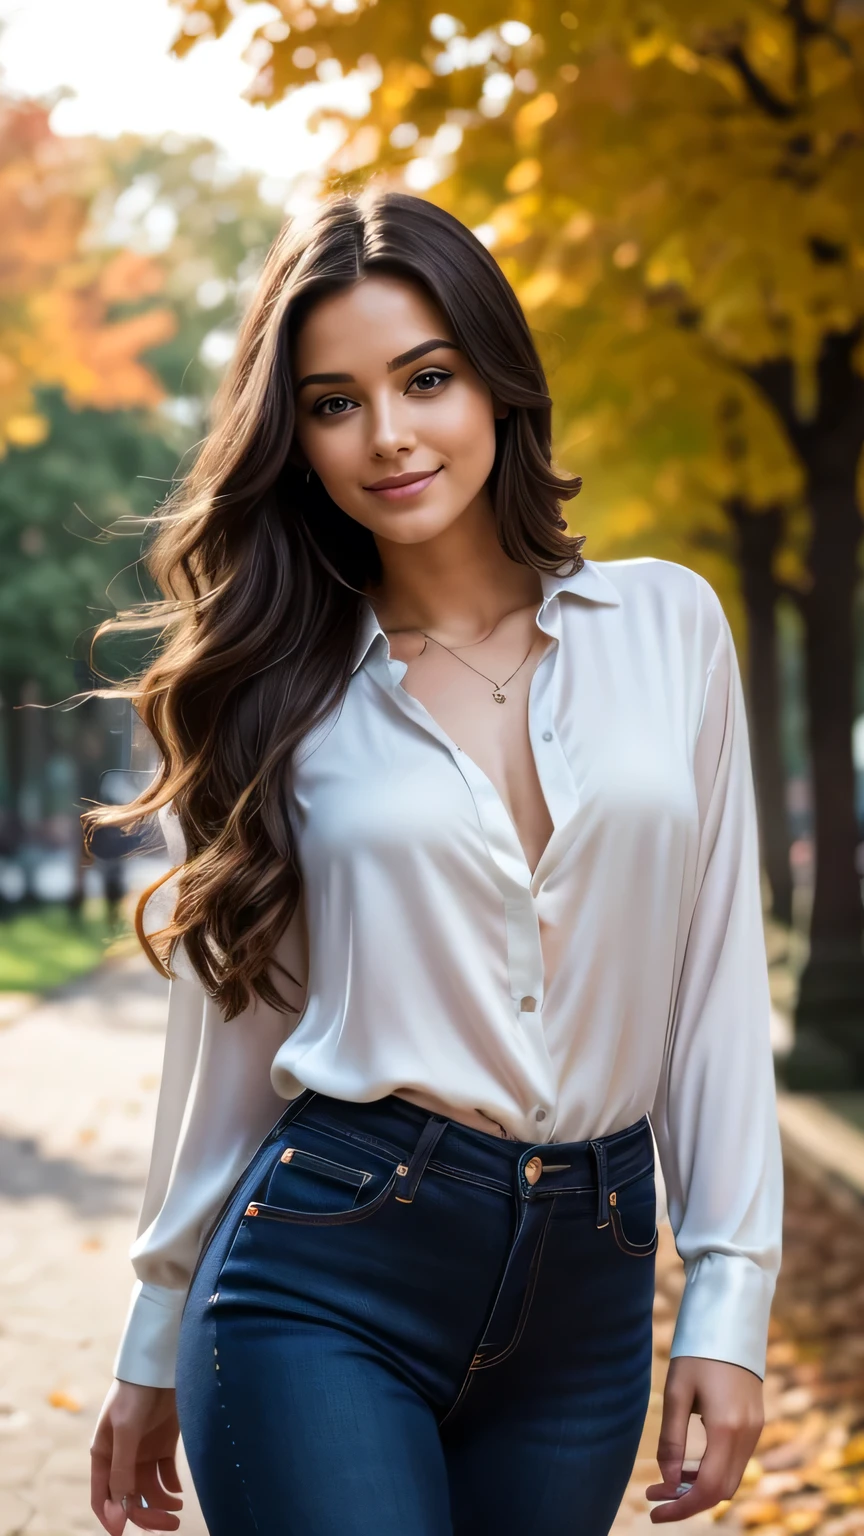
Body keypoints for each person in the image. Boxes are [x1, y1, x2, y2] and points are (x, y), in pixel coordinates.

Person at [88, 187, 783, 1536]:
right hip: (324, 1269)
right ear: (293, 438)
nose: (388, 435)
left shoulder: (671, 627)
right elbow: (230, 1034)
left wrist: (731, 1294)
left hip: (589, 1292)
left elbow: (713, 987)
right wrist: (156, 1323)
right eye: (335, 401)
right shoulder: (271, 690)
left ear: (497, 384)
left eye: (426, 379)